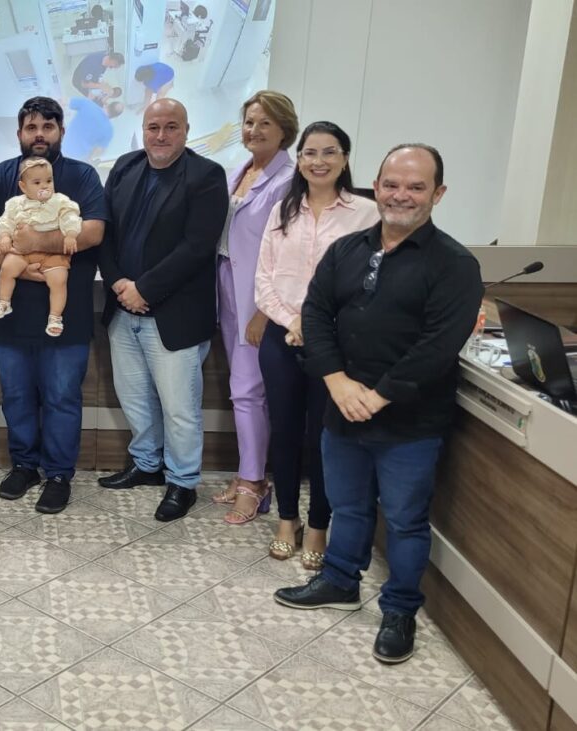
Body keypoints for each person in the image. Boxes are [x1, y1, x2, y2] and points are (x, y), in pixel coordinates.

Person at [274, 144, 483, 665]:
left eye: (416, 187)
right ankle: (341, 580)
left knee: (407, 521)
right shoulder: (347, 249)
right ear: (377, 185)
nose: (401, 195)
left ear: (438, 194)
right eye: (391, 184)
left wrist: (379, 394)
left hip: (411, 420)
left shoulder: (454, 263)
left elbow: (439, 343)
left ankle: (399, 610)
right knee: (347, 506)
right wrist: (339, 384)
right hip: (341, 408)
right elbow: (316, 315)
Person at [0, 97, 107, 514]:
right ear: (19, 134)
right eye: (31, 128)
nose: (40, 135)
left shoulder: (82, 177)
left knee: (63, 395)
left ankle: (59, 473)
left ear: (61, 131)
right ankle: (25, 465)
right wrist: (21, 267)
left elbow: (94, 232)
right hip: (9, 314)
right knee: (16, 395)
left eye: (48, 127)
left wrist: (36, 247)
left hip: (64, 317)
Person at [254, 121, 378, 569]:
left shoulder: (366, 214)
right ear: (299, 159)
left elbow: (371, 283)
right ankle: (287, 519)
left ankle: (319, 526)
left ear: (344, 158)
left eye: (329, 152)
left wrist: (319, 327)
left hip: (338, 343)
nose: (318, 161)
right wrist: (292, 321)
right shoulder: (282, 209)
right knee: (284, 430)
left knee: (323, 436)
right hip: (280, 335)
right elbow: (263, 279)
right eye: (309, 153)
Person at [96, 98, 227, 522]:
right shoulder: (125, 167)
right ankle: (147, 465)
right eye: (154, 127)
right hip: (123, 309)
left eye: (171, 127)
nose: (161, 135)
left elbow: (197, 246)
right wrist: (118, 283)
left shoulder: (207, 176)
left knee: (179, 407)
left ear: (187, 131)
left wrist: (144, 289)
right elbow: (106, 233)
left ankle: (183, 482)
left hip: (174, 315)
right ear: (143, 128)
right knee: (135, 401)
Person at [209, 91, 298, 526]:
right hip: (227, 282)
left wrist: (264, 311)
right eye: (248, 122)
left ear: (285, 129)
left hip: (256, 297)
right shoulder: (239, 171)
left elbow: (286, 255)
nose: (253, 130)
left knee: (248, 389)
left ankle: (253, 483)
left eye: (264, 123)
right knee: (242, 386)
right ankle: (249, 472)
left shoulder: (288, 182)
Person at [0, 157, 83, 337]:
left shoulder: (60, 201)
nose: (45, 186)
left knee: (59, 279)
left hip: (52, 253)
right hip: (21, 251)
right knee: (7, 268)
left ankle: (55, 317)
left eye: (49, 181)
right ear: (23, 187)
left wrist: (71, 234)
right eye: (37, 182)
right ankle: (3, 301)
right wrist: (4, 237)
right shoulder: (15, 204)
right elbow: (5, 221)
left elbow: (70, 216)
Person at [63, 95, 123, 163]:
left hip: (60, 143)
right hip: (75, 158)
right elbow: (98, 151)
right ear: (115, 116)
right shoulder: (109, 131)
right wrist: (89, 159)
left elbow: (63, 102)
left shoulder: (87, 104)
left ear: (108, 105)